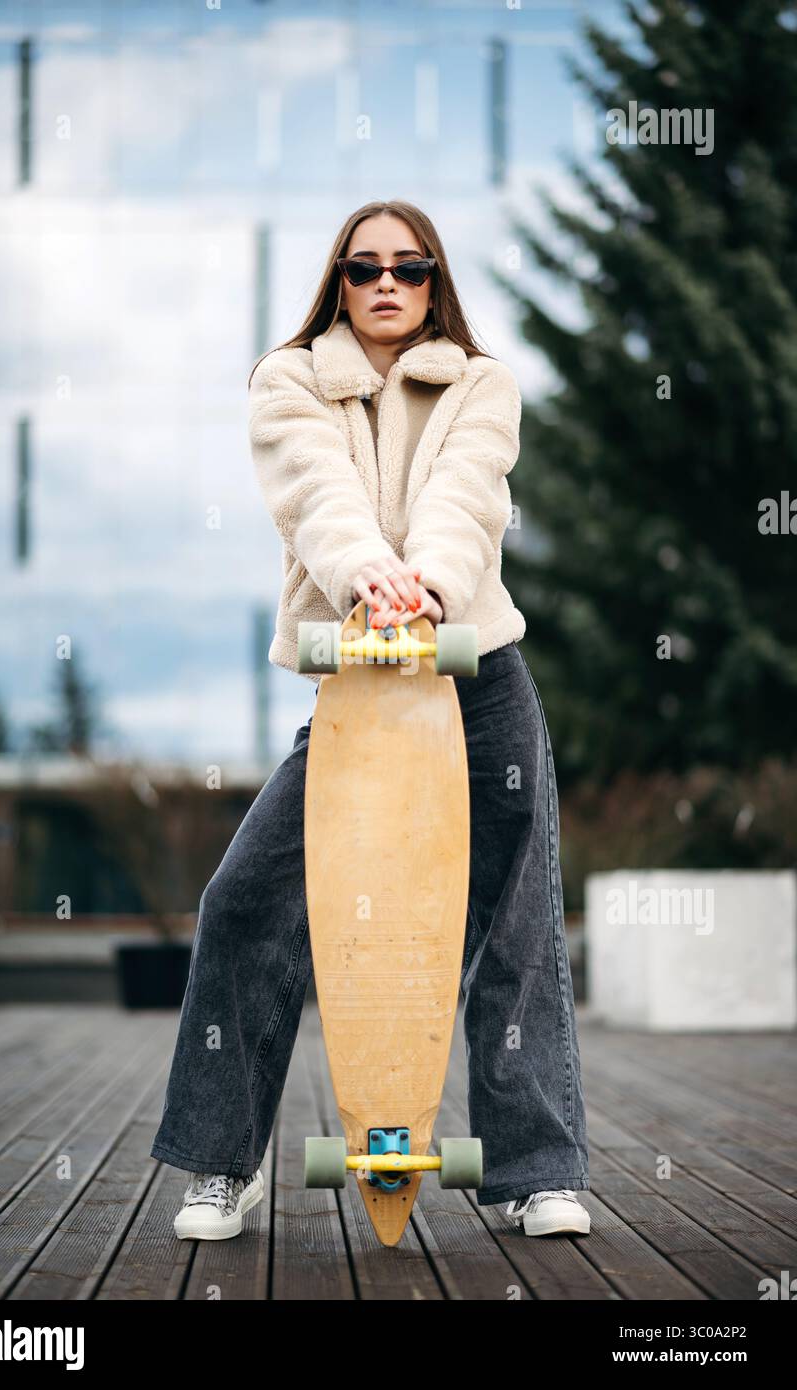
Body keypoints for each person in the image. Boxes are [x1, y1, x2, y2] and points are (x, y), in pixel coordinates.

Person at [150, 200, 591, 1242]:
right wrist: (369, 584)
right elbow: (316, 493)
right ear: (336, 281)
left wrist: (429, 584)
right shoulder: (289, 378)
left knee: (519, 924)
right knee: (244, 901)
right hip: (355, 684)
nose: (386, 283)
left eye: (411, 266)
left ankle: (534, 1169)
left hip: (474, 675)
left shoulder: (483, 383)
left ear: (436, 281)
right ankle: (222, 1163)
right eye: (363, 268)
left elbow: (468, 492)